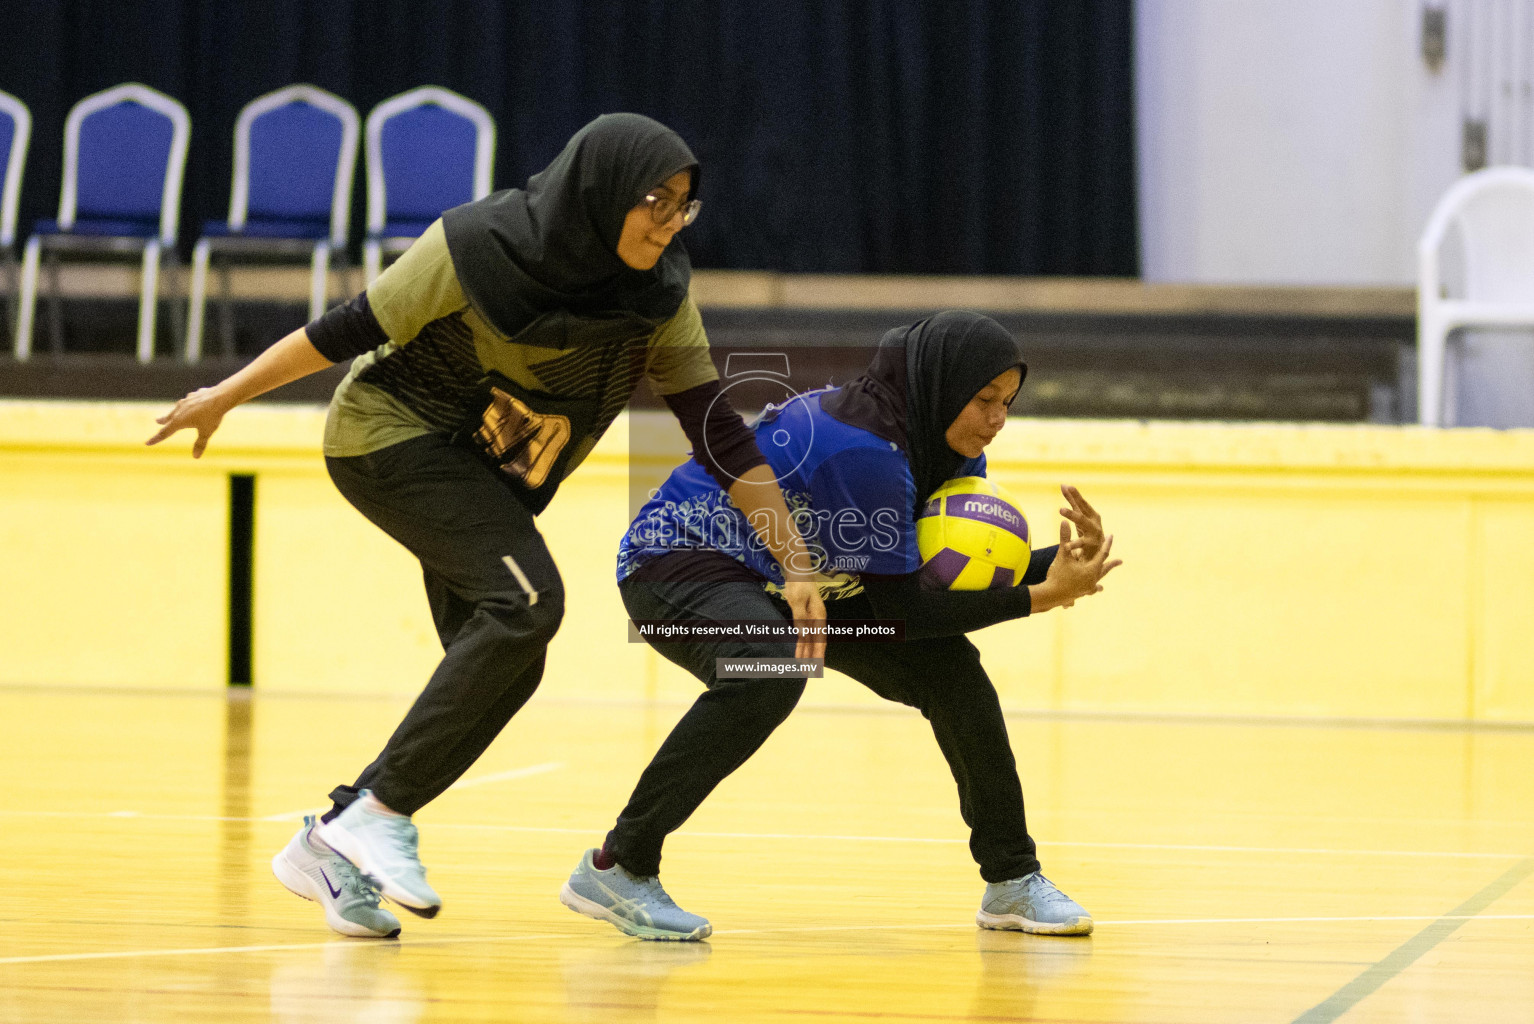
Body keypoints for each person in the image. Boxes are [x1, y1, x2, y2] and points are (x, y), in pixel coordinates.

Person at [147, 113, 826, 938]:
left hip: (482, 475)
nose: (669, 221)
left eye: (684, 205)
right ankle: (378, 816)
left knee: (514, 661)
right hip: (387, 437)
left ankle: (332, 840)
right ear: (600, 191)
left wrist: (794, 562)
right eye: (654, 199)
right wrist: (224, 395)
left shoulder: (657, 298)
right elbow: (345, 328)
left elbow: (720, 436)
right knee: (530, 604)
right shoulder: (478, 246)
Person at [559, 311, 1120, 941]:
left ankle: (1013, 881)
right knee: (770, 671)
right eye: (984, 400)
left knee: (951, 672)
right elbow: (907, 613)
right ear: (938, 384)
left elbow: (930, 580)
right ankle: (619, 866)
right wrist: (1041, 597)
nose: (997, 420)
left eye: (1008, 403)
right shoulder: (865, 450)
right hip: (680, 560)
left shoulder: (947, 450)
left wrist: (1057, 562)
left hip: (801, 584)